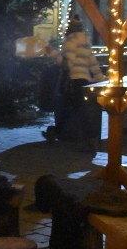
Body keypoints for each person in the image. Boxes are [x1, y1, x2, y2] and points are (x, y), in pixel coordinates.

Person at [42, 17, 105, 150]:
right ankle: (90, 138)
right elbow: (92, 62)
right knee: (81, 108)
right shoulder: (85, 42)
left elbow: (66, 63)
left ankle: (58, 133)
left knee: (66, 108)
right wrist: (99, 78)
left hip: (72, 80)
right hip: (84, 80)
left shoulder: (69, 42)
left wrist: (51, 52)